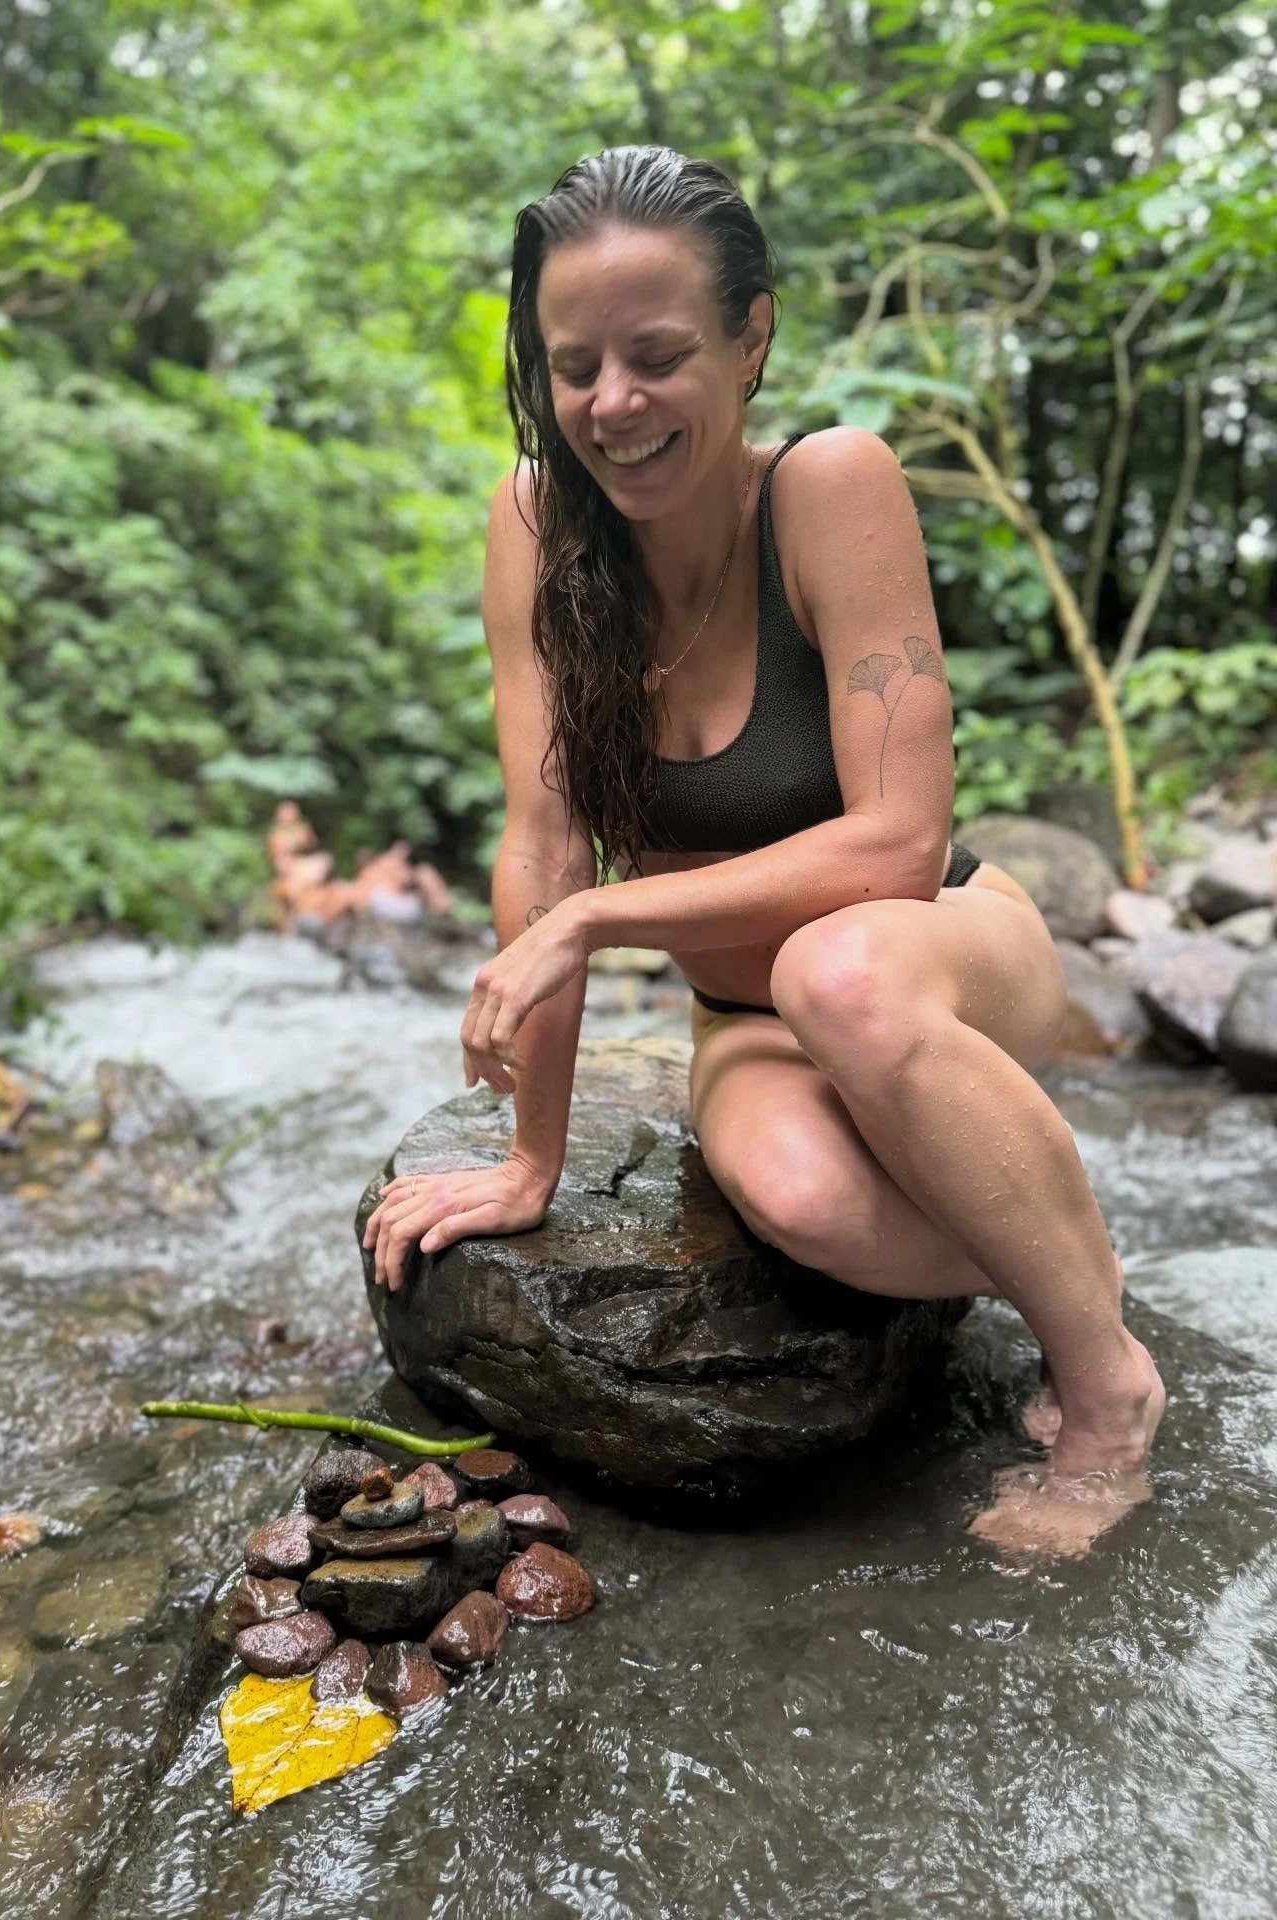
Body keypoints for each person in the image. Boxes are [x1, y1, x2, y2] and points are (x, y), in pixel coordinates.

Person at [362, 147, 1163, 1554]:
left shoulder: (832, 487)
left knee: (841, 975)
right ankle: (1070, 1251)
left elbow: (899, 848)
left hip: (943, 957)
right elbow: (546, 847)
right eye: (576, 364)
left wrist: (611, 920)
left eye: (659, 354)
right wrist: (529, 1158)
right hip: (744, 1018)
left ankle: (1106, 1392)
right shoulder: (536, 531)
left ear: (752, 338)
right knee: (798, 1203)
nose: (614, 403)